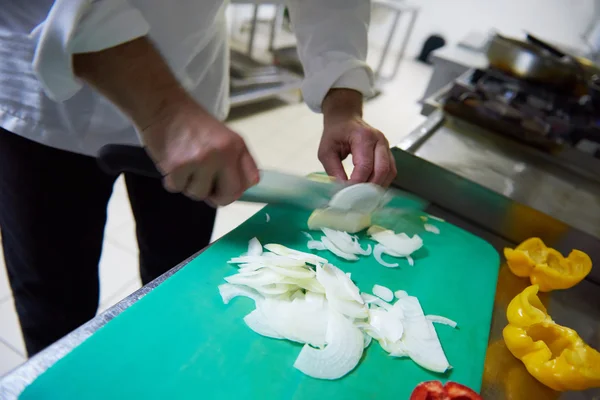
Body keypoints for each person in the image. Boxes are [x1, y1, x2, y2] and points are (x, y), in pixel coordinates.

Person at [0, 1, 397, 357]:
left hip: (192, 84)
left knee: (177, 279)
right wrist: (164, 111)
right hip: (42, 105)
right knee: (55, 306)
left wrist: (343, 102)